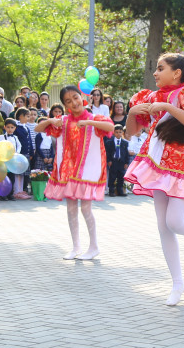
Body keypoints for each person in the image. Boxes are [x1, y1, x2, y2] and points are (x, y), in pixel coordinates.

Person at [125, 53, 184, 306]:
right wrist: (132, 112)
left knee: (175, 221)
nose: (155, 73)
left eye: (160, 68)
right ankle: (177, 282)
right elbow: (131, 131)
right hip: (156, 162)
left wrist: (167, 108)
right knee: (163, 226)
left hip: (183, 162)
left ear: (176, 73)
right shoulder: (150, 97)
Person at [37, 85, 114, 260]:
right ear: (65, 105)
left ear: (82, 97)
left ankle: (93, 246)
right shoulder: (63, 121)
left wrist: (89, 122)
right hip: (69, 172)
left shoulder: (95, 117)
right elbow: (38, 129)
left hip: (87, 171)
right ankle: (75, 247)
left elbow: (110, 127)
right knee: (71, 209)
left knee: (86, 208)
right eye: (68, 101)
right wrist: (50, 121)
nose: (74, 102)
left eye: (75, 97)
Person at [0, 118, 22, 201]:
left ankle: (10, 194)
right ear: (4, 127)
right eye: (8, 127)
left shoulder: (15, 137)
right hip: (4, 160)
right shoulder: (1, 137)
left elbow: (19, 146)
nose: (10, 129)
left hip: (12, 160)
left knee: (12, 178)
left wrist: (16, 153)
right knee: (4, 177)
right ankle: (3, 194)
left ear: (15, 128)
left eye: (12, 127)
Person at [11, 107, 34, 199]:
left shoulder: (26, 128)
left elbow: (30, 141)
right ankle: (16, 190)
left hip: (26, 153)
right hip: (19, 153)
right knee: (17, 173)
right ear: (21, 116)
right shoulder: (16, 128)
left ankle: (21, 190)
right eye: (27, 116)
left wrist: (31, 152)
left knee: (23, 173)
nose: (28, 118)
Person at [105, 125, 131, 197]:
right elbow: (108, 152)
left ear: (122, 132)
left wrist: (126, 162)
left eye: (120, 132)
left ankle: (120, 191)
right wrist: (109, 160)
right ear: (113, 132)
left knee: (121, 177)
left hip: (121, 162)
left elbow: (126, 153)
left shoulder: (125, 143)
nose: (118, 134)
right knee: (112, 176)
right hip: (113, 161)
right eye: (116, 132)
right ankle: (111, 191)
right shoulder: (109, 142)